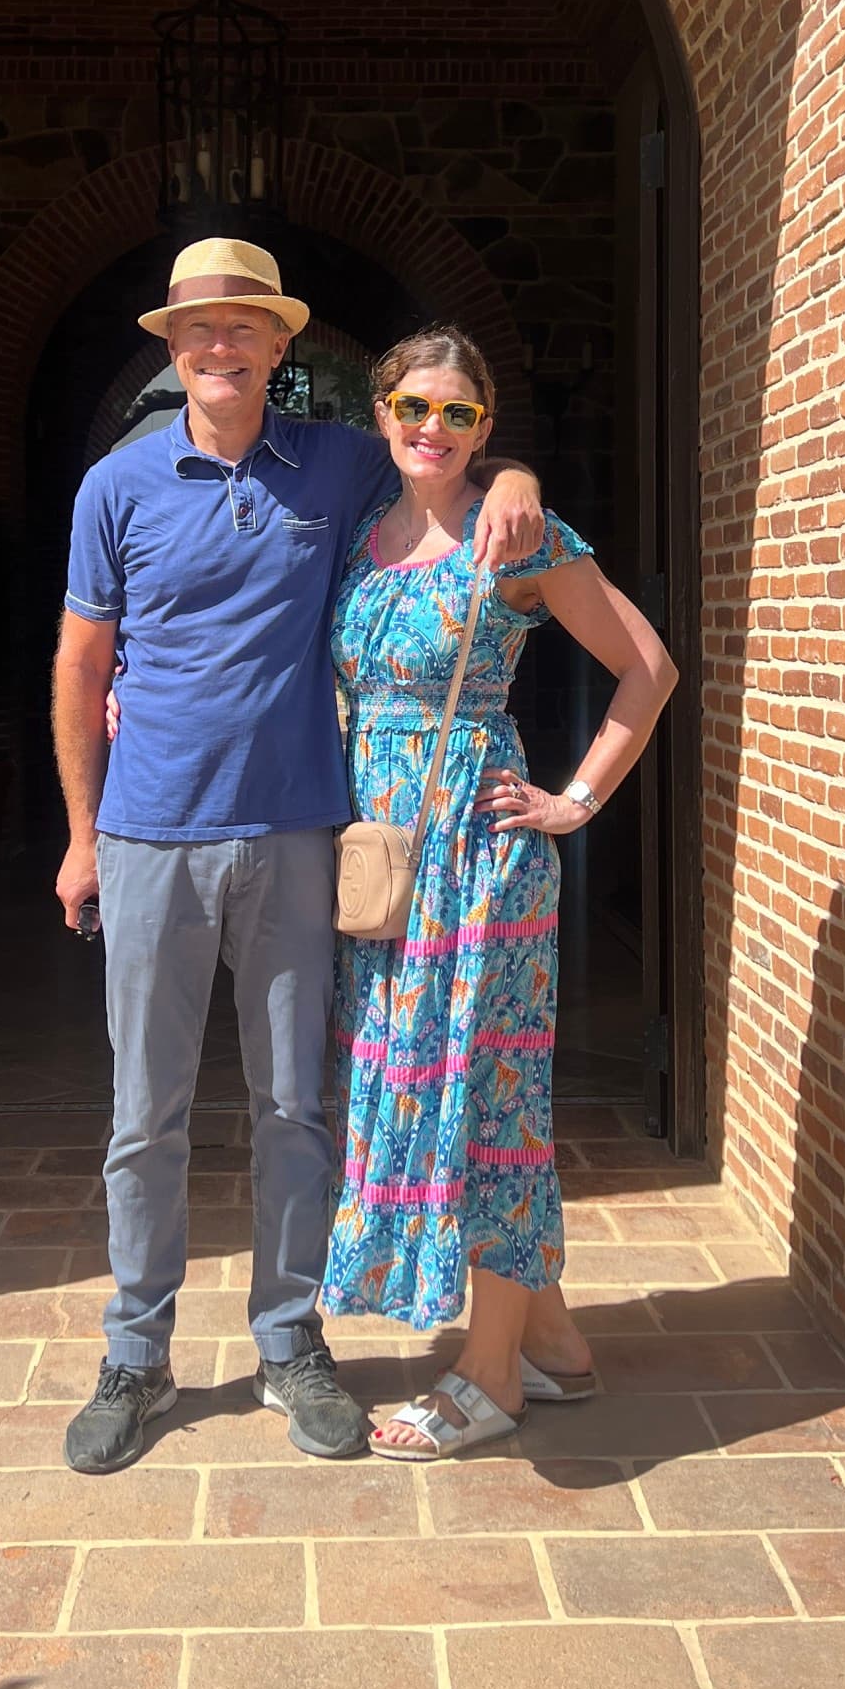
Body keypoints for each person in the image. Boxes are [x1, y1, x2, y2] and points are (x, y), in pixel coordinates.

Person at [51, 239, 545, 1475]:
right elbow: (80, 663)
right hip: (150, 835)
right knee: (143, 1117)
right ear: (171, 345)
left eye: (244, 326)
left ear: (280, 344)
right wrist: (79, 835)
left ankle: (289, 1342)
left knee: (292, 1110)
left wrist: (516, 476)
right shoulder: (115, 486)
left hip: (293, 835)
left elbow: (439, 454)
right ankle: (135, 1354)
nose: (220, 345)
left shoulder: (334, 463)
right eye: (198, 328)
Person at [322, 324, 678, 1459]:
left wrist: (574, 800)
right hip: (387, 863)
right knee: (441, 1092)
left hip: (479, 862)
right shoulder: (361, 535)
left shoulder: (514, 534)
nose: (432, 428)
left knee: (487, 1105)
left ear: (485, 426)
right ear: (380, 412)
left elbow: (649, 666)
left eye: (458, 412)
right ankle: (554, 1345)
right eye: (412, 406)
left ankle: (489, 1378)